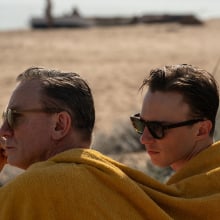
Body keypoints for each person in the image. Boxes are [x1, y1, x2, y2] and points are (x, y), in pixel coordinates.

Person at [0, 66, 220, 219]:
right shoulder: (127, 186)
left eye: (14, 117)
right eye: (140, 124)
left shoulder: (39, 188)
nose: (144, 138)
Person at [130, 64, 219, 171]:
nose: (144, 139)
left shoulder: (204, 186)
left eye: (157, 128)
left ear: (201, 130)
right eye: (141, 124)